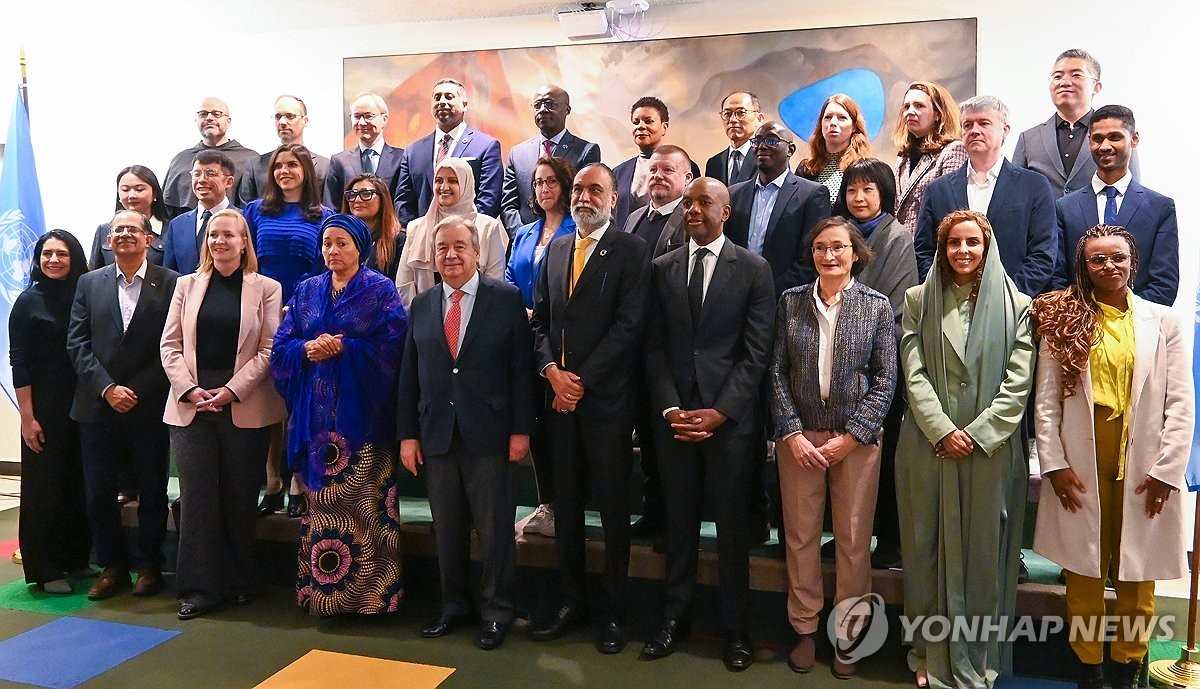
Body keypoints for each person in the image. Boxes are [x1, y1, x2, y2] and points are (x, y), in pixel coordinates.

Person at [1031, 225, 1192, 689]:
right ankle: (1089, 668)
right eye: (1097, 259)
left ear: (1133, 262)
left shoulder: (1165, 323)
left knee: (1137, 575)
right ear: (1084, 266)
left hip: (1145, 465)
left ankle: (1127, 666)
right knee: (1083, 571)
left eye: (1117, 257)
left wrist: (1168, 472)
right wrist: (1055, 464)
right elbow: (1046, 403)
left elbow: (1181, 404)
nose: (1109, 266)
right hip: (1082, 463)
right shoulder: (1065, 319)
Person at [640, 178, 775, 671]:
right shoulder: (661, 269)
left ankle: (735, 629)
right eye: (688, 203)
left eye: (703, 203)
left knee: (733, 532)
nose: (692, 210)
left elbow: (757, 352)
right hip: (675, 422)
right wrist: (671, 407)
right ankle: (672, 620)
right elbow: (652, 346)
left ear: (727, 210)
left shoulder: (755, 270)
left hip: (729, 425)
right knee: (678, 527)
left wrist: (720, 411)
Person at [896, 209, 1035, 688]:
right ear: (942, 247)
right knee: (925, 548)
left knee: (982, 554)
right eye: (954, 242)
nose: (963, 251)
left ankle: (977, 655)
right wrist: (941, 429)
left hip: (987, 451)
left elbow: (1019, 381)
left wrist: (976, 434)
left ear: (987, 246)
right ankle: (926, 653)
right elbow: (911, 372)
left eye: (972, 242)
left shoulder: (1018, 304)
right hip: (929, 445)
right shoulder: (917, 300)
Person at [398, 215, 535, 651]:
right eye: (442, 249)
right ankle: (453, 606)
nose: (451, 255)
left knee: (495, 532)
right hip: (437, 433)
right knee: (448, 529)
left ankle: (497, 611)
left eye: (460, 247)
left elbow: (521, 371)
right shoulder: (422, 304)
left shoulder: (506, 298)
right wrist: (407, 434)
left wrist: (520, 431)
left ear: (477, 252)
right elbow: (409, 376)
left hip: (491, 434)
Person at [528, 163, 650, 654]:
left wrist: (581, 380)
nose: (582, 196)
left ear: (613, 198)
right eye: (577, 189)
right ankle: (571, 600)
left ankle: (614, 611)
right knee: (568, 506)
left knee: (614, 511)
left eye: (593, 189)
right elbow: (539, 323)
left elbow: (630, 325)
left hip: (607, 403)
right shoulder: (556, 248)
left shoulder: (632, 250)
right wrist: (552, 374)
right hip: (559, 403)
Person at [770, 217, 896, 680]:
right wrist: (792, 432)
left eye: (839, 247)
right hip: (799, 440)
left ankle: (851, 634)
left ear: (855, 253)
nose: (829, 255)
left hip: (855, 443)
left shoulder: (877, 306)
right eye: (821, 248)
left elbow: (886, 380)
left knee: (853, 541)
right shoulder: (790, 303)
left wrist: (853, 435)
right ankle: (804, 629)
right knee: (801, 537)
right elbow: (776, 372)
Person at [271, 213, 408, 617]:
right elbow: (282, 347)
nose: (333, 251)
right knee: (323, 509)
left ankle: (371, 600)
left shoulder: (381, 290)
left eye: (342, 243)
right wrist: (307, 350)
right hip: (317, 424)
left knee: (364, 509)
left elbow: (393, 351)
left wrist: (346, 348)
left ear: (360, 248)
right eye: (327, 244)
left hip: (365, 423)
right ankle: (324, 598)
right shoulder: (306, 290)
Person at [160, 209, 285, 620]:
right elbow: (170, 346)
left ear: (245, 241)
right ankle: (198, 589)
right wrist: (191, 389)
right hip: (191, 403)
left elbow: (269, 350)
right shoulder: (186, 285)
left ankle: (239, 580)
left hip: (242, 401)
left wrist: (231, 391)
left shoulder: (267, 288)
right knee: (196, 499)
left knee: (238, 496)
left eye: (229, 235)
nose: (220, 242)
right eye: (214, 235)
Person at [68, 210, 181, 600]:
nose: (125, 235)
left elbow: (172, 345)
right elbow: (77, 344)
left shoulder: (170, 283)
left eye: (134, 229)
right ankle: (113, 567)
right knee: (99, 492)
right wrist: (107, 389)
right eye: (118, 230)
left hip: (147, 405)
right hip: (98, 406)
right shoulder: (88, 283)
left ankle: (150, 566)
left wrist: (134, 389)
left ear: (149, 239)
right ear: (107, 240)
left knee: (152, 491)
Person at [832, 158, 918, 569]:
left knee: (882, 458)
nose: (859, 197)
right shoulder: (836, 235)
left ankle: (889, 542)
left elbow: (898, 305)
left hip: (881, 367)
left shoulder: (898, 236)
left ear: (884, 193)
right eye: (852, 189)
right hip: (833, 365)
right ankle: (849, 539)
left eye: (868, 189)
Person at [243, 143, 334, 517]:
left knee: (298, 404)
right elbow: (247, 263)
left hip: (302, 317)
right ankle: (272, 482)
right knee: (266, 403)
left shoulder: (322, 215)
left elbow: (323, 269)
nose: (284, 171)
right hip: (259, 315)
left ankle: (298, 480)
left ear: (306, 171)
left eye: (292, 165)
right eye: (278, 166)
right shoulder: (255, 211)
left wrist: (298, 309)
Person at [10, 230, 91, 594]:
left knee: (76, 482)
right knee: (45, 487)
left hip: (82, 404)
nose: (54, 260)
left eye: (61, 254)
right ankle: (45, 569)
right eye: (47, 254)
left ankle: (75, 559)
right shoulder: (28, 302)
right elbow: (20, 363)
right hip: (42, 407)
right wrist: (27, 418)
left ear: (74, 257)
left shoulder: (83, 296)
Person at [915, 95, 1057, 297]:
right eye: (967, 125)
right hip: (949, 307)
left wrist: (1008, 297)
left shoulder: (1033, 185)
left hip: (1014, 306)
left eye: (984, 123)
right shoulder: (938, 189)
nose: (975, 131)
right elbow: (924, 251)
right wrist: (945, 295)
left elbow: (1043, 253)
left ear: (1005, 131)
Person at [504, 156, 577, 539]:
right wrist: (520, 308)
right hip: (523, 335)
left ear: (564, 186)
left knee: (556, 429)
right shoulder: (525, 233)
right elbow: (507, 279)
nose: (544, 189)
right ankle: (544, 503)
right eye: (538, 183)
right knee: (530, 419)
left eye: (551, 182)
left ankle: (564, 504)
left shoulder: (577, 229)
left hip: (557, 339)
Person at [1053, 105, 1177, 305]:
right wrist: (1081, 317)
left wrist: (1125, 318)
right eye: (1098, 138)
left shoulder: (1160, 208)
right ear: (1089, 141)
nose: (1105, 146)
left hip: (1138, 327)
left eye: (1115, 137)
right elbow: (1056, 276)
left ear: (1134, 139)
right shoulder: (1064, 208)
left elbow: (1164, 283)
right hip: (1080, 326)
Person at [1013, 49, 1140, 199]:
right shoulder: (1028, 139)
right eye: (1057, 76)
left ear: (1096, 87)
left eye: (1076, 75)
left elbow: (1133, 191)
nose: (1064, 82)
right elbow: (1015, 194)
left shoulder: (1117, 135)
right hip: (1044, 222)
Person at [727, 121, 832, 297]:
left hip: (785, 299)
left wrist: (767, 292)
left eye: (772, 141)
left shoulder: (812, 194)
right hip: (736, 296)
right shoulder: (734, 194)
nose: (762, 146)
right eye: (757, 141)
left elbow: (810, 259)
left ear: (790, 150)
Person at [396, 157, 507, 309]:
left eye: (453, 181)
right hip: (427, 320)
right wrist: (419, 319)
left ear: (466, 183)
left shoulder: (487, 227)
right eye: (439, 180)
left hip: (477, 318)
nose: (444, 187)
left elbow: (495, 281)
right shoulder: (416, 228)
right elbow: (404, 283)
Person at [395, 78, 503, 225]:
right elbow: (403, 202)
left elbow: (489, 200)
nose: (442, 101)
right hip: (422, 240)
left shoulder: (486, 146)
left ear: (464, 105)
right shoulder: (413, 151)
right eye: (437, 97)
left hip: (468, 240)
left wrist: (463, 233)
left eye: (449, 97)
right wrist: (418, 233)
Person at [501, 85, 601, 234]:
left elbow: (585, 201)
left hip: (566, 242)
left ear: (567, 109)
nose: (542, 109)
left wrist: (560, 240)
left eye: (549, 104)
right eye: (537, 105)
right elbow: (508, 205)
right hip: (523, 243)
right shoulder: (518, 153)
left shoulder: (586, 151)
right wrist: (523, 237)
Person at [612, 97, 702, 230]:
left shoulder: (687, 165)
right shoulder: (618, 172)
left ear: (664, 127)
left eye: (648, 121)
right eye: (636, 122)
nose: (641, 126)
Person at [892, 81, 968, 235]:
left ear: (938, 114)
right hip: (901, 247)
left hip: (929, 246)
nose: (910, 112)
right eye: (906, 107)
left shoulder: (953, 150)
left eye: (919, 106)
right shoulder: (902, 157)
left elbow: (950, 210)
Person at [163, 97, 259, 217]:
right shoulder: (180, 160)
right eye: (203, 114)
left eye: (216, 114)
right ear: (196, 120)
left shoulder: (250, 159)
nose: (209, 118)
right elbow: (167, 208)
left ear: (228, 121)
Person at [238, 95, 329, 205]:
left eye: (290, 116)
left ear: (305, 121)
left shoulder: (325, 166)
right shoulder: (254, 165)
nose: (282, 122)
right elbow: (245, 210)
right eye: (278, 117)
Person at [324, 93, 405, 208]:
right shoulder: (339, 162)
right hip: (351, 225)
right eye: (357, 116)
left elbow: (405, 203)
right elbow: (331, 206)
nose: (362, 122)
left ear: (384, 119)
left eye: (368, 116)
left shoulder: (402, 158)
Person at [163, 151, 236, 275]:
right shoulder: (177, 225)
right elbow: (169, 274)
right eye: (196, 174)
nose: (202, 180)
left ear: (228, 182)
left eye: (210, 173)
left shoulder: (244, 220)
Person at [797, 94, 873, 206]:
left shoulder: (865, 168)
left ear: (854, 126)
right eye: (827, 117)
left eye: (842, 117)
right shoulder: (806, 167)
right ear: (821, 123)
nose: (833, 123)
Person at [89, 165, 170, 269]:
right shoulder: (104, 230)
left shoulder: (170, 230)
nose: (132, 195)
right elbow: (95, 274)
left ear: (154, 194)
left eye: (139, 189)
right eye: (125, 190)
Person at [623, 145, 694, 258]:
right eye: (653, 170)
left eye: (668, 170)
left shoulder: (693, 220)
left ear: (687, 178)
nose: (658, 176)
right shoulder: (633, 218)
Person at [341, 173, 406, 281]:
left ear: (382, 198)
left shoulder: (398, 239)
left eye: (366, 193)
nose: (357, 200)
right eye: (352, 195)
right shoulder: (339, 237)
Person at [705, 91, 765, 187]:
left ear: (759, 119)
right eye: (727, 114)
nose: (732, 120)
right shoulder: (714, 163)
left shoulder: (769, 158)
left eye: (741, 113)